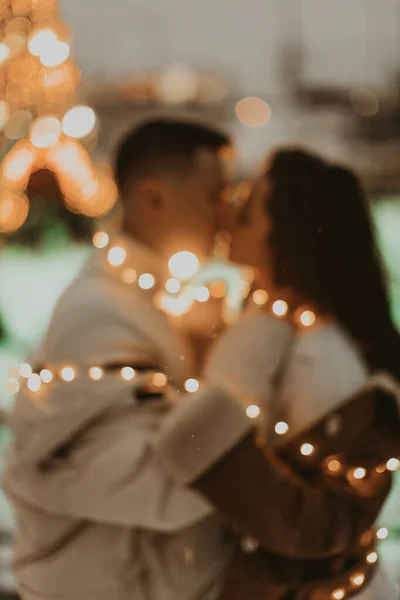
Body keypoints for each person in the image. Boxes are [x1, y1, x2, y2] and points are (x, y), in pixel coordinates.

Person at [3, 123, 381, 600]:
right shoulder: (101, 315)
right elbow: (171, 488)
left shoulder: (153, 302)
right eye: (216, 194)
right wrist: (247, 348)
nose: (228, 213)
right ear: (153, 198)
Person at [197, 148, 400, 598]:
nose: (229, 220)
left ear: (285, 237)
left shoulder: (318, 356)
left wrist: (199, 446)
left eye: (247, 214)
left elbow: (317, 524)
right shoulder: (271, 327)